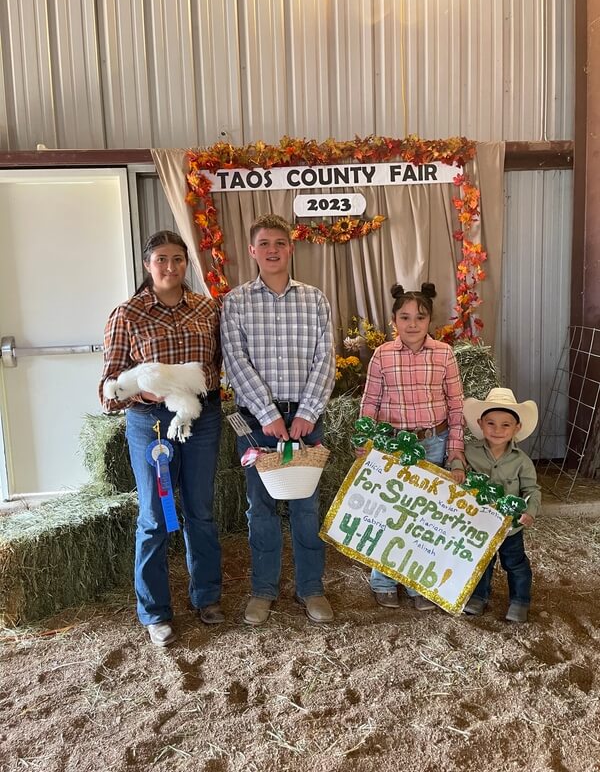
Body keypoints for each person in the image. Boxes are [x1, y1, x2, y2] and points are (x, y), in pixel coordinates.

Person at [99, 230, 223, 647]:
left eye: (178, 259)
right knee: (154, 517)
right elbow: (107, 385)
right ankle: (155, 611)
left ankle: (206, 597)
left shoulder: (207, 308)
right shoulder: (127, 313)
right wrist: (141, 392)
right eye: (161, 260)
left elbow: (219, 364)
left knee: (200, 511)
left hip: (199, 419)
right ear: (147, 265)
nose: (170, 267)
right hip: (149, 422)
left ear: (186, 263)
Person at [221, 214, 336, 626]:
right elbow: (236, 362)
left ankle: (311, 588)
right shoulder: (235, 303)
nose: (272, 249)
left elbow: (326, 360)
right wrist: (269, 416)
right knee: (261, 507)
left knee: (306, 508)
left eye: (280, 242)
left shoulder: (315, 299)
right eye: (264, 243)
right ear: (252, 251)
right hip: (256, 423)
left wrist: (306, 413)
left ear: (291, 248)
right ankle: (263, 590)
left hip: (306, 419)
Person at [359, 283, 466, 611]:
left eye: (420, 317)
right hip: (391, 444)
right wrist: (365, 441)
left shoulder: (444, 353)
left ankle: (417, 581)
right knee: (390, 512)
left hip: (432, 442)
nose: (412, 324)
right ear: (394, 320)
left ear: (430, 320)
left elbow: (456, 405)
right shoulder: (383, 355)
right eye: (404, 317)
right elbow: (370, 401)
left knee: (422, 516)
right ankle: (383, 580)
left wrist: (456, 451)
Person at [462, 388, 540, 623]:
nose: (498, 430)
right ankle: (479, 596)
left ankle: (520, 600)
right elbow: (456, 467)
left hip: (510, 526)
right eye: (491, 423)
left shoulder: (521, 461)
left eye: (506, 425)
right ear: (480, 423)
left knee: (515, 563)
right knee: (481, 560)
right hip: (478, 522)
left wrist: (530, 511)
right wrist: (457, 466)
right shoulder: (469, 453)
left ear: (516, 428)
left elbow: (531, 490)